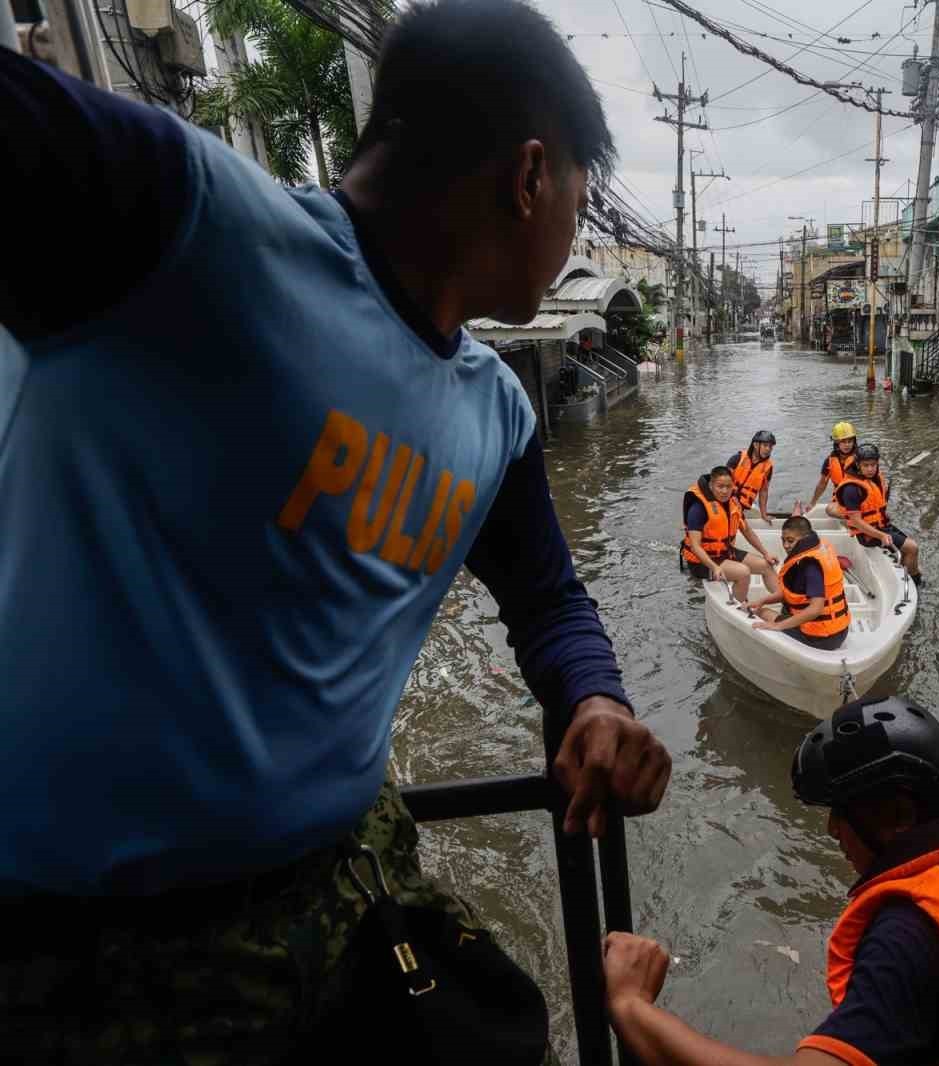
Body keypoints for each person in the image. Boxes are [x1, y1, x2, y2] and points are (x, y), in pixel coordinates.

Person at [0, 2, 672, 1060]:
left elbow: (547, 597)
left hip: (344, 878)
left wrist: (592, 698)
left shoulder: (491, 410)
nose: (575, 234)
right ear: (531, 176)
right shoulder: (191, 228)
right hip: (80, 944)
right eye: (581, 200)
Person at [602, 696, 939, 1065]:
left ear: (899, 816)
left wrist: (632, 1006)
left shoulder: (915, 932)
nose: (832, 829)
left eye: (841, 813)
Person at [745, 516, 851, 650]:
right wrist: (762, 600)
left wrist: (777, 626)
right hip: (840, 630)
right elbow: (789, 595)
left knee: (762, 613)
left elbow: (815, 609)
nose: (785, 545)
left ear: (805, 538)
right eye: (783, 540)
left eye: (790, 541)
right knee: (766, 607)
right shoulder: (816, 550)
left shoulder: (810, 566)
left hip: (820, 638)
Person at [682, 465, 780, 602]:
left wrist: (766, 553)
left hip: (725, 552)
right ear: (711, 485)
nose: (725, 491)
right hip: (702, 561)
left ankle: (785, 602)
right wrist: (714, 567)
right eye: (720, 486)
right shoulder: (698, 508)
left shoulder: (733, 502)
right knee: (743, 572)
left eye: (728, 487)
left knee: (766, 565)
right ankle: (740, 609)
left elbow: (746, 530)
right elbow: (695, 546)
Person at [829, 444, 921, 584]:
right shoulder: (852, 489)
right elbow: (856, 522)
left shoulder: (876, 479)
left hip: (882, 526)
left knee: (909, 550)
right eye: (866, 465)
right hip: (867, 535)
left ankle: (909, 576)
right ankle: (914, 582)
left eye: (873, 465)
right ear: (858, 465)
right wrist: (881, 535)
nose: (870, 469)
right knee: (912, 548)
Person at [805, 422, 860, 511]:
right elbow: (822, 484)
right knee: (830, 510)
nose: (847, 445)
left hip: (858, 499)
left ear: (854, 442)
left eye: (850, 441)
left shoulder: (861, 458)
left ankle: (854, 518)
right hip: (841, 499)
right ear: (836, 443)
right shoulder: (829, 461)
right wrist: (812, 503)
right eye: (843, 441)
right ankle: (851, 518)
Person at [728, 430, 777, 522]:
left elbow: (763, 492)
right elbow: (723, 481)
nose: (768, 449)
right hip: (727, 499)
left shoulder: (768, 468)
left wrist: (764, 514)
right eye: (765, 446)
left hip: (742, 506)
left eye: (770, 447)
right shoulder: (737, 458)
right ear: (755, 445)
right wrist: (731, 497)